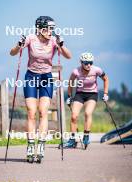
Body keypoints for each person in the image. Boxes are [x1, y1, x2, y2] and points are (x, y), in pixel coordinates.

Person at [10, 16, 71, 162]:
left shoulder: (54, 40)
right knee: (31, 112)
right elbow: (12, 52)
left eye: (52, 28)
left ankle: (41, 144)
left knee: (44, 112)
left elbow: (68, 56)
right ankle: (31, 145)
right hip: (31, 76)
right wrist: (19, 45)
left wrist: (61, 45)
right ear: (40, 28)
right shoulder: (31, 38)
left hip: (46, 78)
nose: (51, 31)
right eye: (49, 28)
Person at [64, 52, 109, 148]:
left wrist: (105, 94)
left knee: (88, 113)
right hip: (80, 94)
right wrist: (69, 96)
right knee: (74, 116)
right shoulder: (76, 71)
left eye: (90, 63)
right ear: (81, 63)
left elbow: (106, 79)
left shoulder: (97, 70)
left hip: (92, 94)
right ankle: (72, 140)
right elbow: (70, 83)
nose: (89, 65)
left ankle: (86, 137)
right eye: (86, 63)